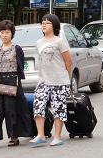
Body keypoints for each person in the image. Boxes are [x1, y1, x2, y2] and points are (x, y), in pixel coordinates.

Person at [0, 20, 32, 148]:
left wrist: (17, 83)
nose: (4, 35)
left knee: (11, 110)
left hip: (12, 80)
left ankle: (14, 137)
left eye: (7, 32)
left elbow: (20, 67)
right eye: (2, 32)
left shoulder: (17, 48)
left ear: (12, 34)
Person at [30, 14, 72, 147]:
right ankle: (41, 135)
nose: (44, 25)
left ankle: (57, 137)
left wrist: (67, 80)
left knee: (58, 108)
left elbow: (68, 62)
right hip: (43, 80)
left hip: (59, 80)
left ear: (54, 25)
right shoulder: (39, 42)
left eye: (47, 23)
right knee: (38, 105)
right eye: (42, 23)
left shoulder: (59, 41)